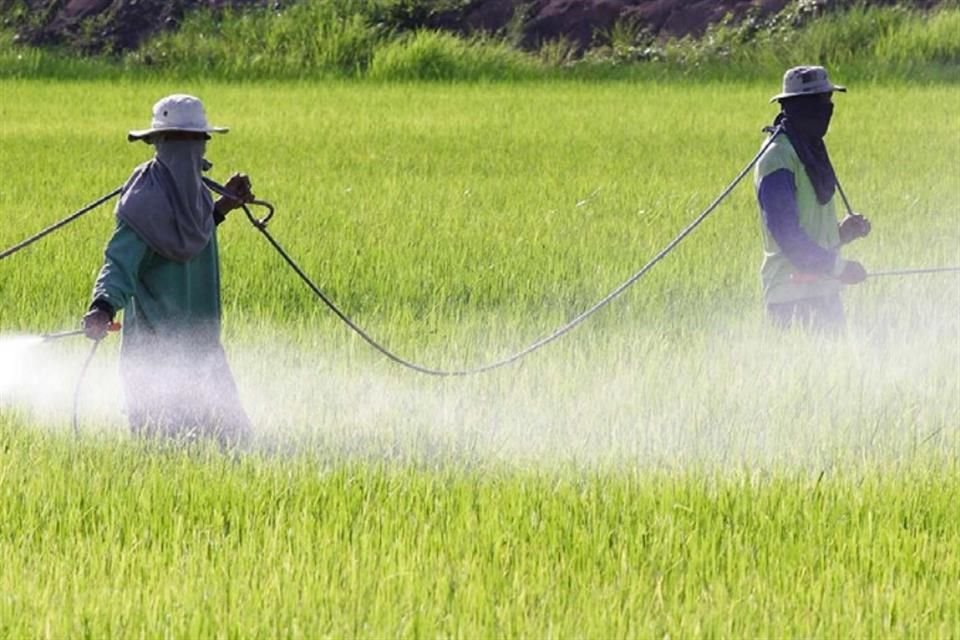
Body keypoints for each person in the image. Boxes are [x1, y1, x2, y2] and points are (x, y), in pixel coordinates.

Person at [82, 94, 255, 445]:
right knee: (164, 445)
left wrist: (224, 206)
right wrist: (102, 306)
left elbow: (189, 238)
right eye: (182, 140)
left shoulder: (198, 196)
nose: (192, 149)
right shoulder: (144, 200)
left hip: (203, 346)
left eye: (196, 141)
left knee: (234, 444)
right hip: (154, 353)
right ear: (159, 143)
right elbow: (120, 261)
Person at [755, 66, 872, 332]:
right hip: (791, 296)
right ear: (798, 106)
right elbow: (787, 235)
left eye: (829, 101)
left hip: (824, 293)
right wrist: (840, 267)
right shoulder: (778, 157)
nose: (827, 109)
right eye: (820, 102)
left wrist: (841, 234)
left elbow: (811, 229)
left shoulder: (810, 149)